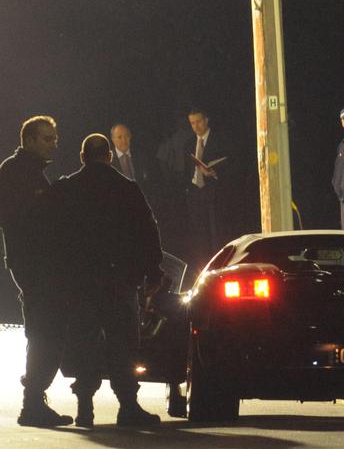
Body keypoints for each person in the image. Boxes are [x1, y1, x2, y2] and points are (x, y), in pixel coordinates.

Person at [56, 133, 163, 428]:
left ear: (82, 157)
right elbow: (147, 230)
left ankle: (85, 408)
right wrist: (152, 271)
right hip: (119, 280)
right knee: (123, 344)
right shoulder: (126, 188)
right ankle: (127, 405)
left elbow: (52, 236)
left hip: (80, 282)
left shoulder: (67, 188)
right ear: (109, 156)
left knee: (84, 341)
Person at [0, 115, 73, 427]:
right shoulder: (17, 173)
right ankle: (32, 402)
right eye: (46, 138)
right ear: (28, 140)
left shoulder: (26, 171)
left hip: (35, 263)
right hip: (35, 264)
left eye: (54, 138)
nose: (53, 144)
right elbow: (25, 220)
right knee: (47, 331)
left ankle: (33, 394)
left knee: (46, 330)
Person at [185, 107, 229, 277]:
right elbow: (187, 168)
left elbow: (230, 163)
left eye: (198, 122)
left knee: (216, 233)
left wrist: (215, 172)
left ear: (206, 120)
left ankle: (219, 270)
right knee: (199, 236)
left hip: (215, 193)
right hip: (195, 193)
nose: (195, 126)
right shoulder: (189, 143)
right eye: (192, 123)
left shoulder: (219, 139)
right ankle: (202, 272)